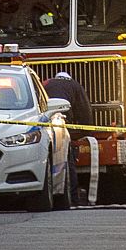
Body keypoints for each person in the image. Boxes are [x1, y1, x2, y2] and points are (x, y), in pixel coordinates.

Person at [43, 71, 93, 205]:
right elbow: (84, 110)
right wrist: (87, 133)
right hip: (62, 124)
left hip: (43, 126)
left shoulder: (45, 84)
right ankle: (74, 199)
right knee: (67, 160)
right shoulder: (74, 85)